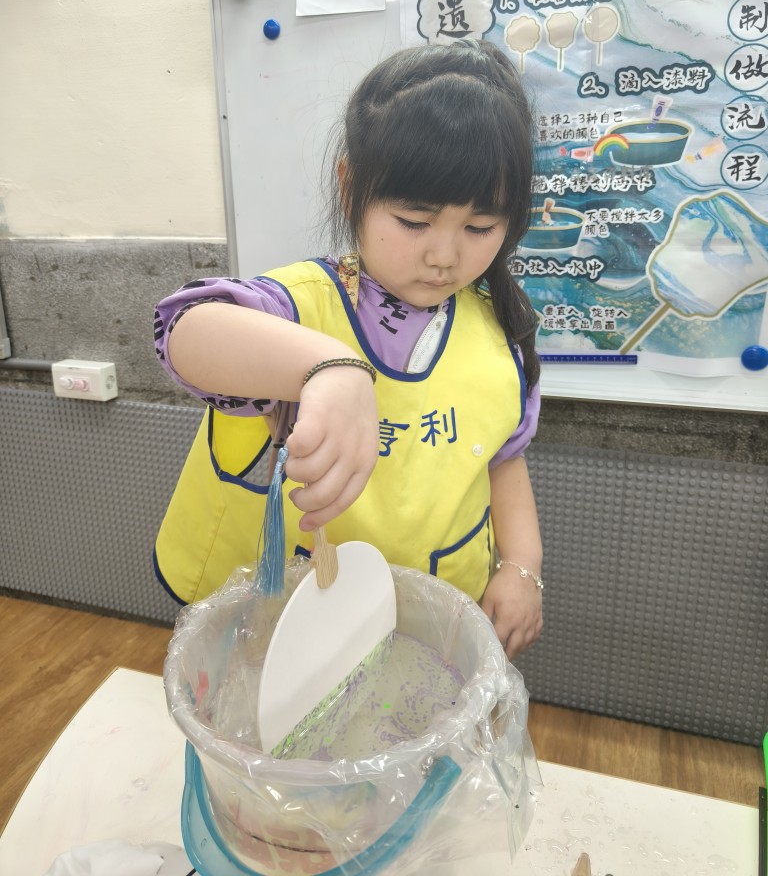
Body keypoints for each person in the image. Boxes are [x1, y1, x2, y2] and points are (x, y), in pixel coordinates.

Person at [154, 39, 543, 659]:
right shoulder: (299, 304)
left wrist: (522, 566)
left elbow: (501, 457)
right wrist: (330, 369)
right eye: (414, 221)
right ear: (349, 187)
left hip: (421, 613)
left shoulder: (497, 329)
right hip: (280, 622)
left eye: (479, 227)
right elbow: (184, 331)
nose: (444, 255)